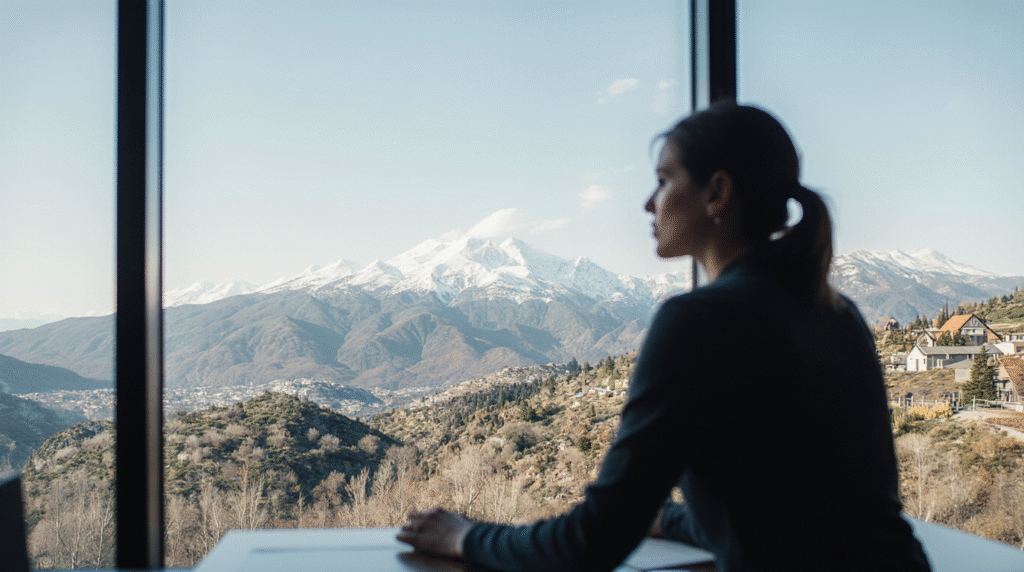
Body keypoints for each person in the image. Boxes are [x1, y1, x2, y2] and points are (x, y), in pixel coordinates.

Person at [397, 103, 931, 572]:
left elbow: (591, 543)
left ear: (717, 192)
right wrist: (663, 518)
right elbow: (798, 513)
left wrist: (465, 537)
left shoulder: (700, 320)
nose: (649, 204)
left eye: (664, 179)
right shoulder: (835, 312)